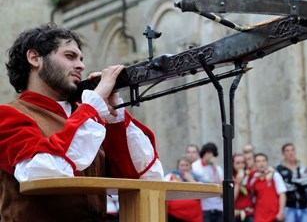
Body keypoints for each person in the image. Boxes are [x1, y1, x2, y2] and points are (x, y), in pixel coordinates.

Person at [0, 24, 164, 221]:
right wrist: (93, 107)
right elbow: (42, 173)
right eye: (70, 56)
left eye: (81, 59)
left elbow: (144, 176)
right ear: (35, 58)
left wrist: (114, 114)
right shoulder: (8, 114)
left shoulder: (87, 118)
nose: (81, 66)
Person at [276, 143, 307, 222]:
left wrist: (293, 182)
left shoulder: (302, 167)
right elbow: (283, 187)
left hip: (304, 207)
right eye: (287, 151)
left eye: (292, 150)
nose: (290, 152)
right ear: (283, 153)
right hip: (288, 207)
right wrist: (299, 182)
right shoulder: (279, 168)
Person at [164, 156, 204, 222]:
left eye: (187, 165)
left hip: (193, 217)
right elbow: (163, 189)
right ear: (178, 166)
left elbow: (203, 191)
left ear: (190, 166)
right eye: (182, 165)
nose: (184, 167)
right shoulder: (170, 176)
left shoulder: (197, 177)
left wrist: (191, 180)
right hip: (174, 215)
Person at [192, 142, 223, 222]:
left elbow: (220, 187)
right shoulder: (195, 166)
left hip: (218, 206)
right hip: (204, 206)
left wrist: (214, 168)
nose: (210, 155)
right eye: (208, 153)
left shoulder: (218, 168)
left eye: (212, 153)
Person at [250, 153, 286, 222]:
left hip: (274, 215)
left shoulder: (275, 175)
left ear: (267, 162)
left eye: (263, 161)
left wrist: (281, 212)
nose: (261, 163)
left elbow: (282, 194)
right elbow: (252, 196)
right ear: (255, 164)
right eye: (258, 161)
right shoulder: (253, 178)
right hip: (259, 216)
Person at [233, 153, 255, 222]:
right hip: (235, 214)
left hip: (249, 213)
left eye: (243, 163)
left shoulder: (250, 175)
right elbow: (231, 199)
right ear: (232, 164)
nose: (241, 165)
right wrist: (238, 184)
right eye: (238, 163)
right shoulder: (229, 178)